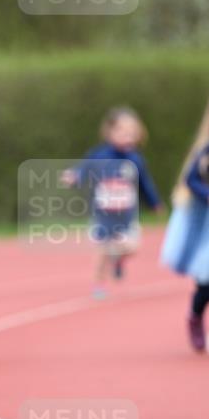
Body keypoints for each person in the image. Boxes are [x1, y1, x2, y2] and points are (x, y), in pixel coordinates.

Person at [61, 107, 161, 298]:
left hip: (126, 216)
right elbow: (84, 170)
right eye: (122, 132)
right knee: (102, 251)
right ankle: (99, 285)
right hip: (103, 215)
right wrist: (75, 177)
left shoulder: (135, 159)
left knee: (132, 247)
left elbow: (145, 183)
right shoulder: (99, 155)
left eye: (131, 133)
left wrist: (154, 202)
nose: (127, 137)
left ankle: (118, 260)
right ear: (109, 132)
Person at [160, 96, 209, 352]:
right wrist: (208, 194)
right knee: (208, 283)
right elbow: (191, 180)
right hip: (208, 228)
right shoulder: (208, 152)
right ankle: (195, 314)